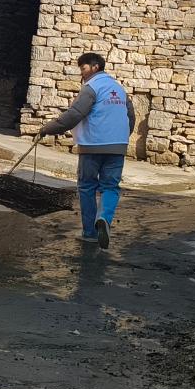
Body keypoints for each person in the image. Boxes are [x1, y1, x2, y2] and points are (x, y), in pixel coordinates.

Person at [38, 52, 133, 249]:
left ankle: (90, 233)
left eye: (83, 68)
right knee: (110, 186)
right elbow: (130, 118)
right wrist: (121, 138)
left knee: (87, 186)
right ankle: (104, 218)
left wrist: (48, 128)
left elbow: (75, 114)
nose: (81, 73)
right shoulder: (119, 89)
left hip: (92, 145)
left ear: (95, 67)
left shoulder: (92, 88)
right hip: (117, 147)